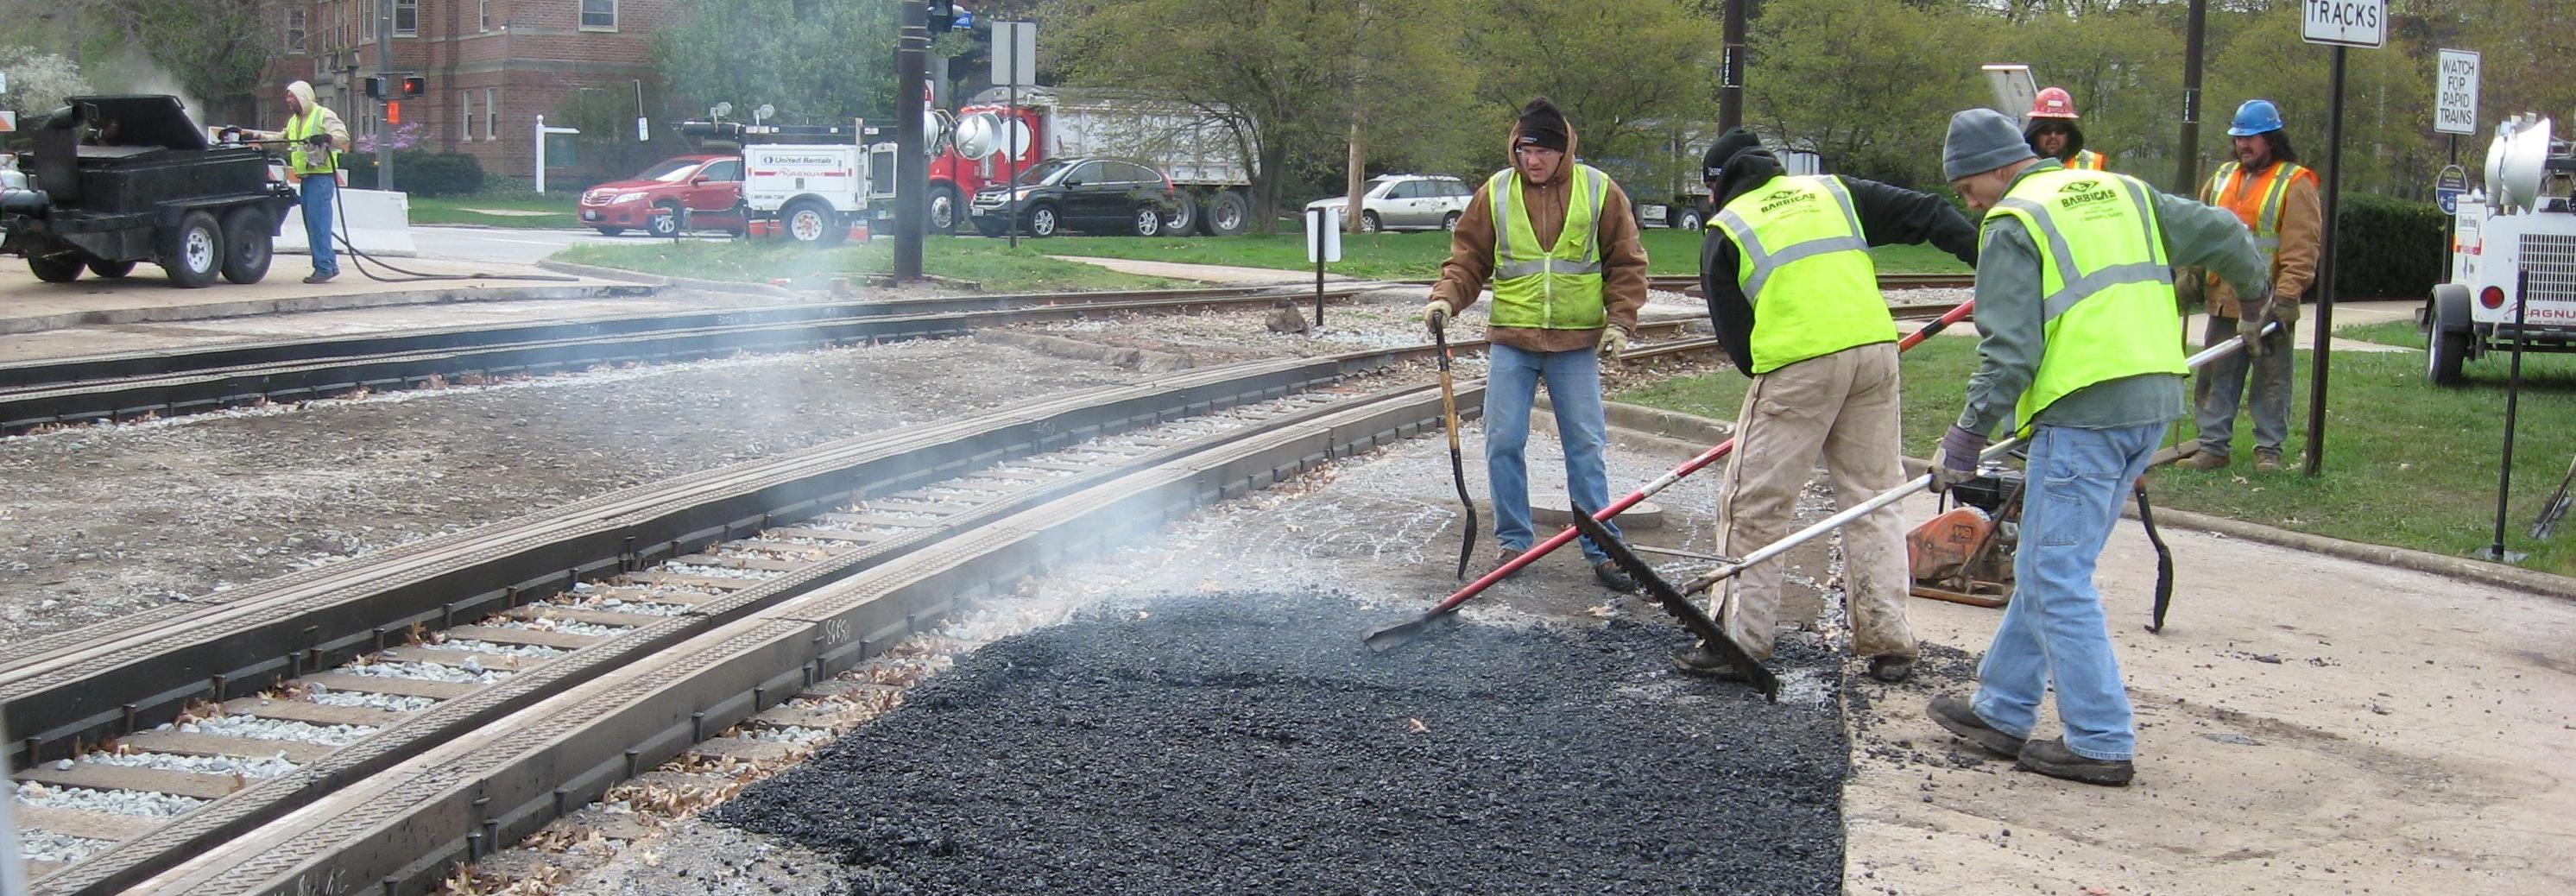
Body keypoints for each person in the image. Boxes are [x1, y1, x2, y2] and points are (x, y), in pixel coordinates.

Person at [1924, 108, 2272, 786]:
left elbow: (2011, 351)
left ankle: (2100, 739)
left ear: (2000, 168)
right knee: (2052, 559)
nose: (1967, 201)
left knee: (2056, 572)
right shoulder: (2123, 191)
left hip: (2084, 411)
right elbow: (2228, 230)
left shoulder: (2013, 222)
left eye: (1968, 186)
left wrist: (1966, 436)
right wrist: (2259, 301)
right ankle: (2001, 707)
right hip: (2149, 406)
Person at [1676, 128, 1979, 685]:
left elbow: (1737, 339)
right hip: (1875, 356)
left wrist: (1777, 374)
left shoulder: (1728, 227)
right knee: (1873, 498)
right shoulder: (1835, 193)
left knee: (1755, 505)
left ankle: (1739, 642)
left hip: (1798, 368)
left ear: (1716, 186)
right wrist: (1991, 260)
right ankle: (1890, 641)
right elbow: (1932, 212)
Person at [1423, 97, 1650, 592]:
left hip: (1574, 344)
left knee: (1585, 446)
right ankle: (1514, 544)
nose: (1534, 161)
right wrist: (1445, 300)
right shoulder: (1496, 193)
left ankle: (1602, 548)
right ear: (1516, 149)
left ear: (1564, 150)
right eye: (1525, 150)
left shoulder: (1599, 190)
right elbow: (1467, 260)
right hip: (1513, 340)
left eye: (1544, 151)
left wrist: (1621, 322)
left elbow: (1626, 262)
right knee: (1503, 442)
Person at [2177, 98, 2318, 473]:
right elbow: (2199, 230)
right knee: (2214, 378)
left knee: (2271, 382)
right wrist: (2191, 273)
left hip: (2269, 303)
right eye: (2239, 139)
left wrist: (2287, 297)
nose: (2244, 145)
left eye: (2251, 138)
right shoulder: (2221, 178)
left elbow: (2301, 248)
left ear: (2271, 139)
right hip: (2223, 299)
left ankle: (2268, 452)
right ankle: (2212, 448)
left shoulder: (2295, 182)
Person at [256, 81, 350, 284]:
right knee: (314, 224)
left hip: (321, 178)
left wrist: (327, 137)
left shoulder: (322, 114)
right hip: (308, 178)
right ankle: (328, 265)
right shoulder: (294, 121)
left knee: (318, 224)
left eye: (291, 96)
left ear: (302, 97)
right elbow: (282, 141)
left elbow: (342, 137)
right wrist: (254, 137)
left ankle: (324, 267)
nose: (288, 100)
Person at [2024, 87, 2110, 171]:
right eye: (2046, 130)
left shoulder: (2092, 163)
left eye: (2060, 130)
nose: (2053, 136)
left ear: (2069, 133)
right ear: (2035, 133)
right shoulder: (2020, 164)